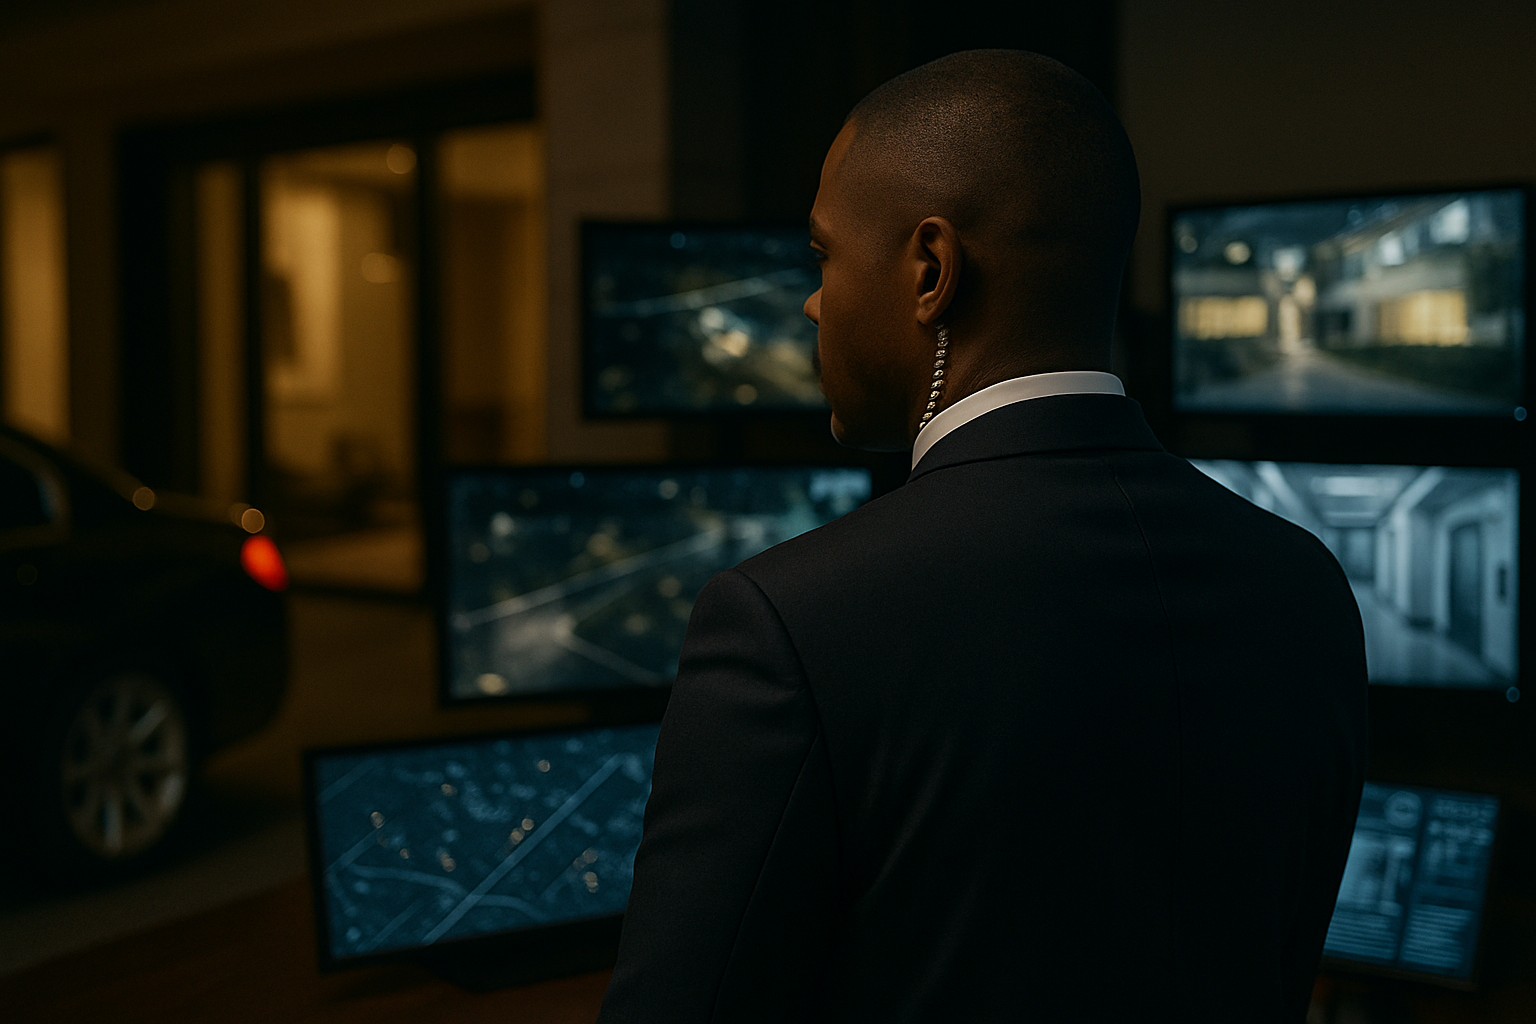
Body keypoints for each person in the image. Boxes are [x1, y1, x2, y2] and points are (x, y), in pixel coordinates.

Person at [597, 50, 1367, 1023]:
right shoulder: (1307, 586)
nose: (814, 301)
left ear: (930, 269)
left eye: (823, 255)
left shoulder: (787, 625)